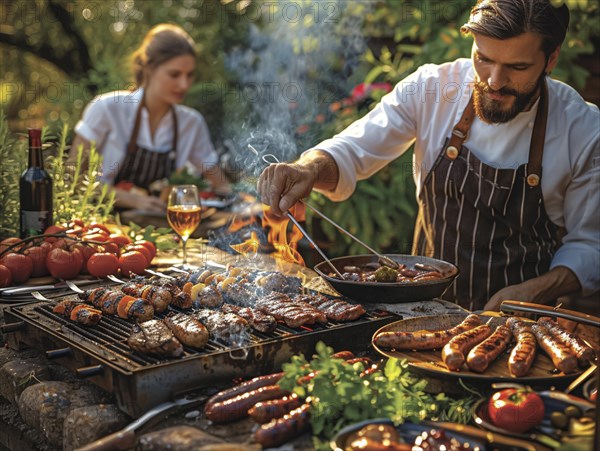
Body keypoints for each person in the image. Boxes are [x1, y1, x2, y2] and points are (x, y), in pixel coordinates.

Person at [257, 0, 599, 312]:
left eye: (517, 67)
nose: (494, 81)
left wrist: (534, 292)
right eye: (484, 59)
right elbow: (352, 151)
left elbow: (590, 244)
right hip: (419, 310)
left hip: (523, 322)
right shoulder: (433, 88)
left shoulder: (581, 129)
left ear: (550, 59)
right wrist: (307, 169)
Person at [71, 24, 230, 213]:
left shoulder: (191, 123)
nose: (184, 84)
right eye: (174, 74)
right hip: (103, 228)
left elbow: (221, 185)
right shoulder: (107, 108)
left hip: (160, 231)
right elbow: (73, 179)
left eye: (190, 75)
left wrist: (243, 200)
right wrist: (132, 200)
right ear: (148, 68)